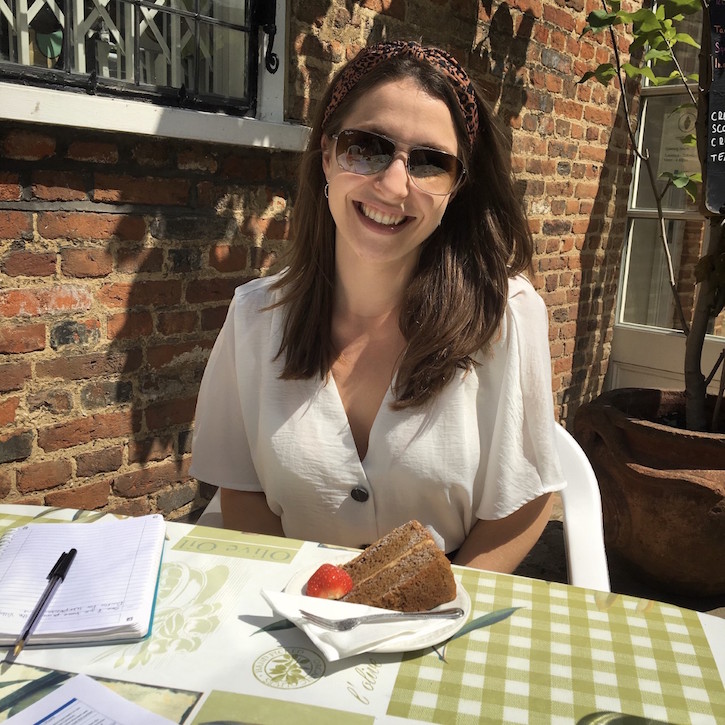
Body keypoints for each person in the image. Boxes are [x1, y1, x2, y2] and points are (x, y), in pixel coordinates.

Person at [190, 40, 565, 573]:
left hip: (441, 607)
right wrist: (304, 601)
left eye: (431, 163)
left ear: (456, 188)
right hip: (290, 599)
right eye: (367, 147)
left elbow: (524, 499)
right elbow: (241, 487)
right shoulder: (254, 316)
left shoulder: (503, 315)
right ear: (326, 155)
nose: (393, 186)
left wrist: (441, 604)